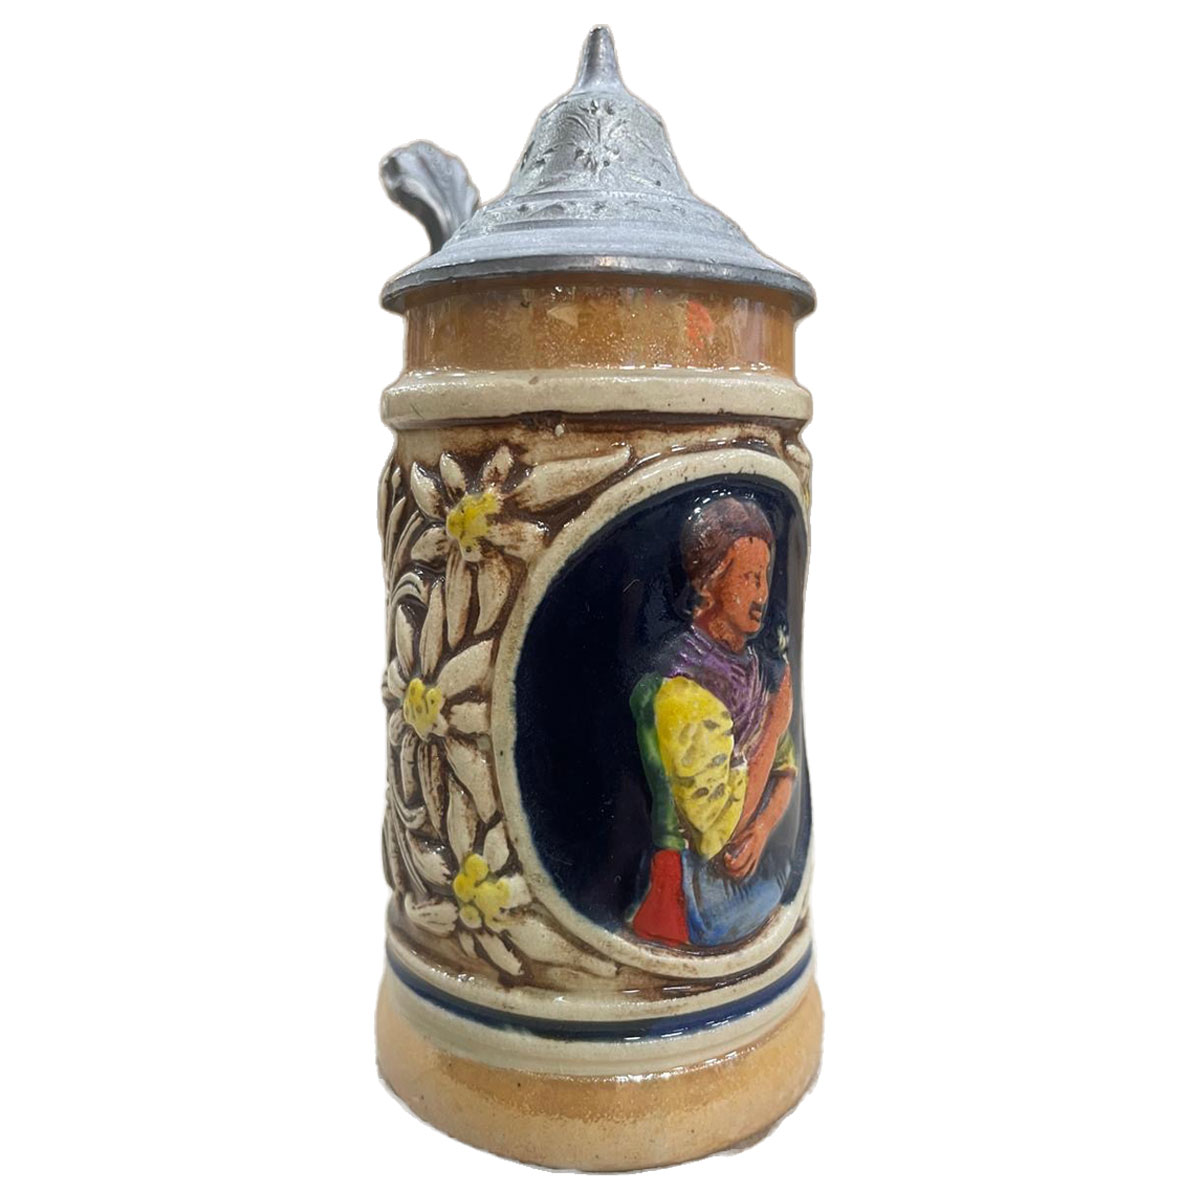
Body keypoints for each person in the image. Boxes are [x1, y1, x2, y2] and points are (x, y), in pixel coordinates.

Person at [628, 496, 800, 947]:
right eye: (748, 578)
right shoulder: (683, 691)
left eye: (765, 577)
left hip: (749, 879)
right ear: (708, 583)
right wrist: (774, 726)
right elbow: (716, 836)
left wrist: (763, 830)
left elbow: (787, 770)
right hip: (692, 896)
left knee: (781, 882)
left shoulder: (759, 672)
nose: (762, 595)